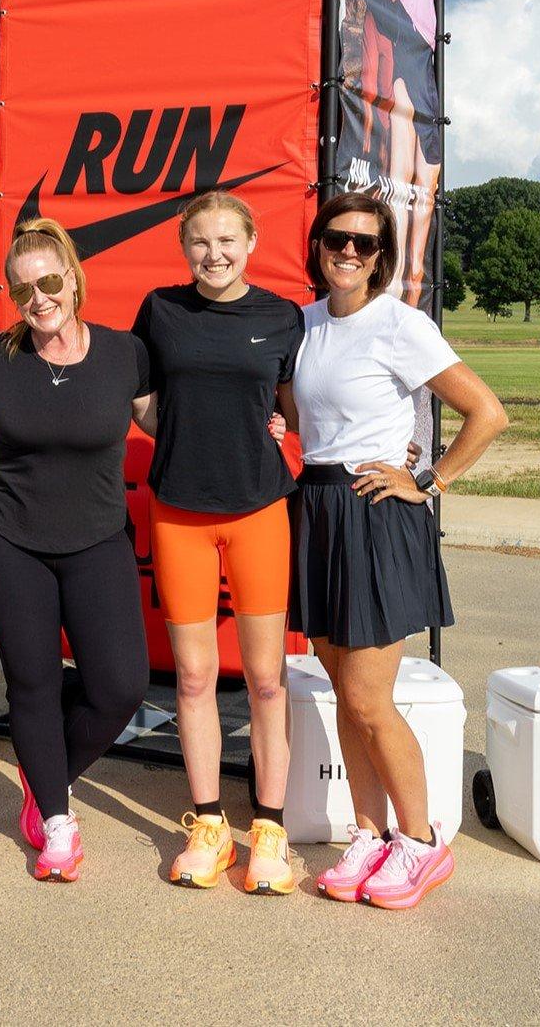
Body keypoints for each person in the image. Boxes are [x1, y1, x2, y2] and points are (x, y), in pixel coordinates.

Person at [284, 191, 507, 909]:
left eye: (365, 243)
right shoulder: (304, 323)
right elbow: (299, 413)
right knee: (343, 697)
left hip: (374, 514)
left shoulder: (399, 324)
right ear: (317, 245)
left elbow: (485, 412)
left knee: (365, 697)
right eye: (336, 239)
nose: (348, 252)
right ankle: (368, 833)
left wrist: (427, 479)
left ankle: (420, 844)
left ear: (381, 258)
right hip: (315, 510)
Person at [0, 219, 152, 882]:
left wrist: (266, 418)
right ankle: (56, 823)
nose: (37, 298)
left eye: (47, 281)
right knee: (33, 685)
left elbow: (171, 420)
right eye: (22, 289)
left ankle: (42, 785)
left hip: (97, 540)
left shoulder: (124, 354)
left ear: (72, 278)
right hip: (11, 540)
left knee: (119, 687)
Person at [132, 191, 304, 895]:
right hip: (178, 515)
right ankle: (207, 826)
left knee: (265, 680)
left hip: (259, 511)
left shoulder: (280, 316)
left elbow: (294, 412)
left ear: (251, 241)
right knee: (195, 679)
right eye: (200, 242)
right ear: (183, 247)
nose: (214, 254)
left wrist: (269, 429)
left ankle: (267, 830)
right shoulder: (160, 310)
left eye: (227, 240)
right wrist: (182, 439)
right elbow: (142, 404)